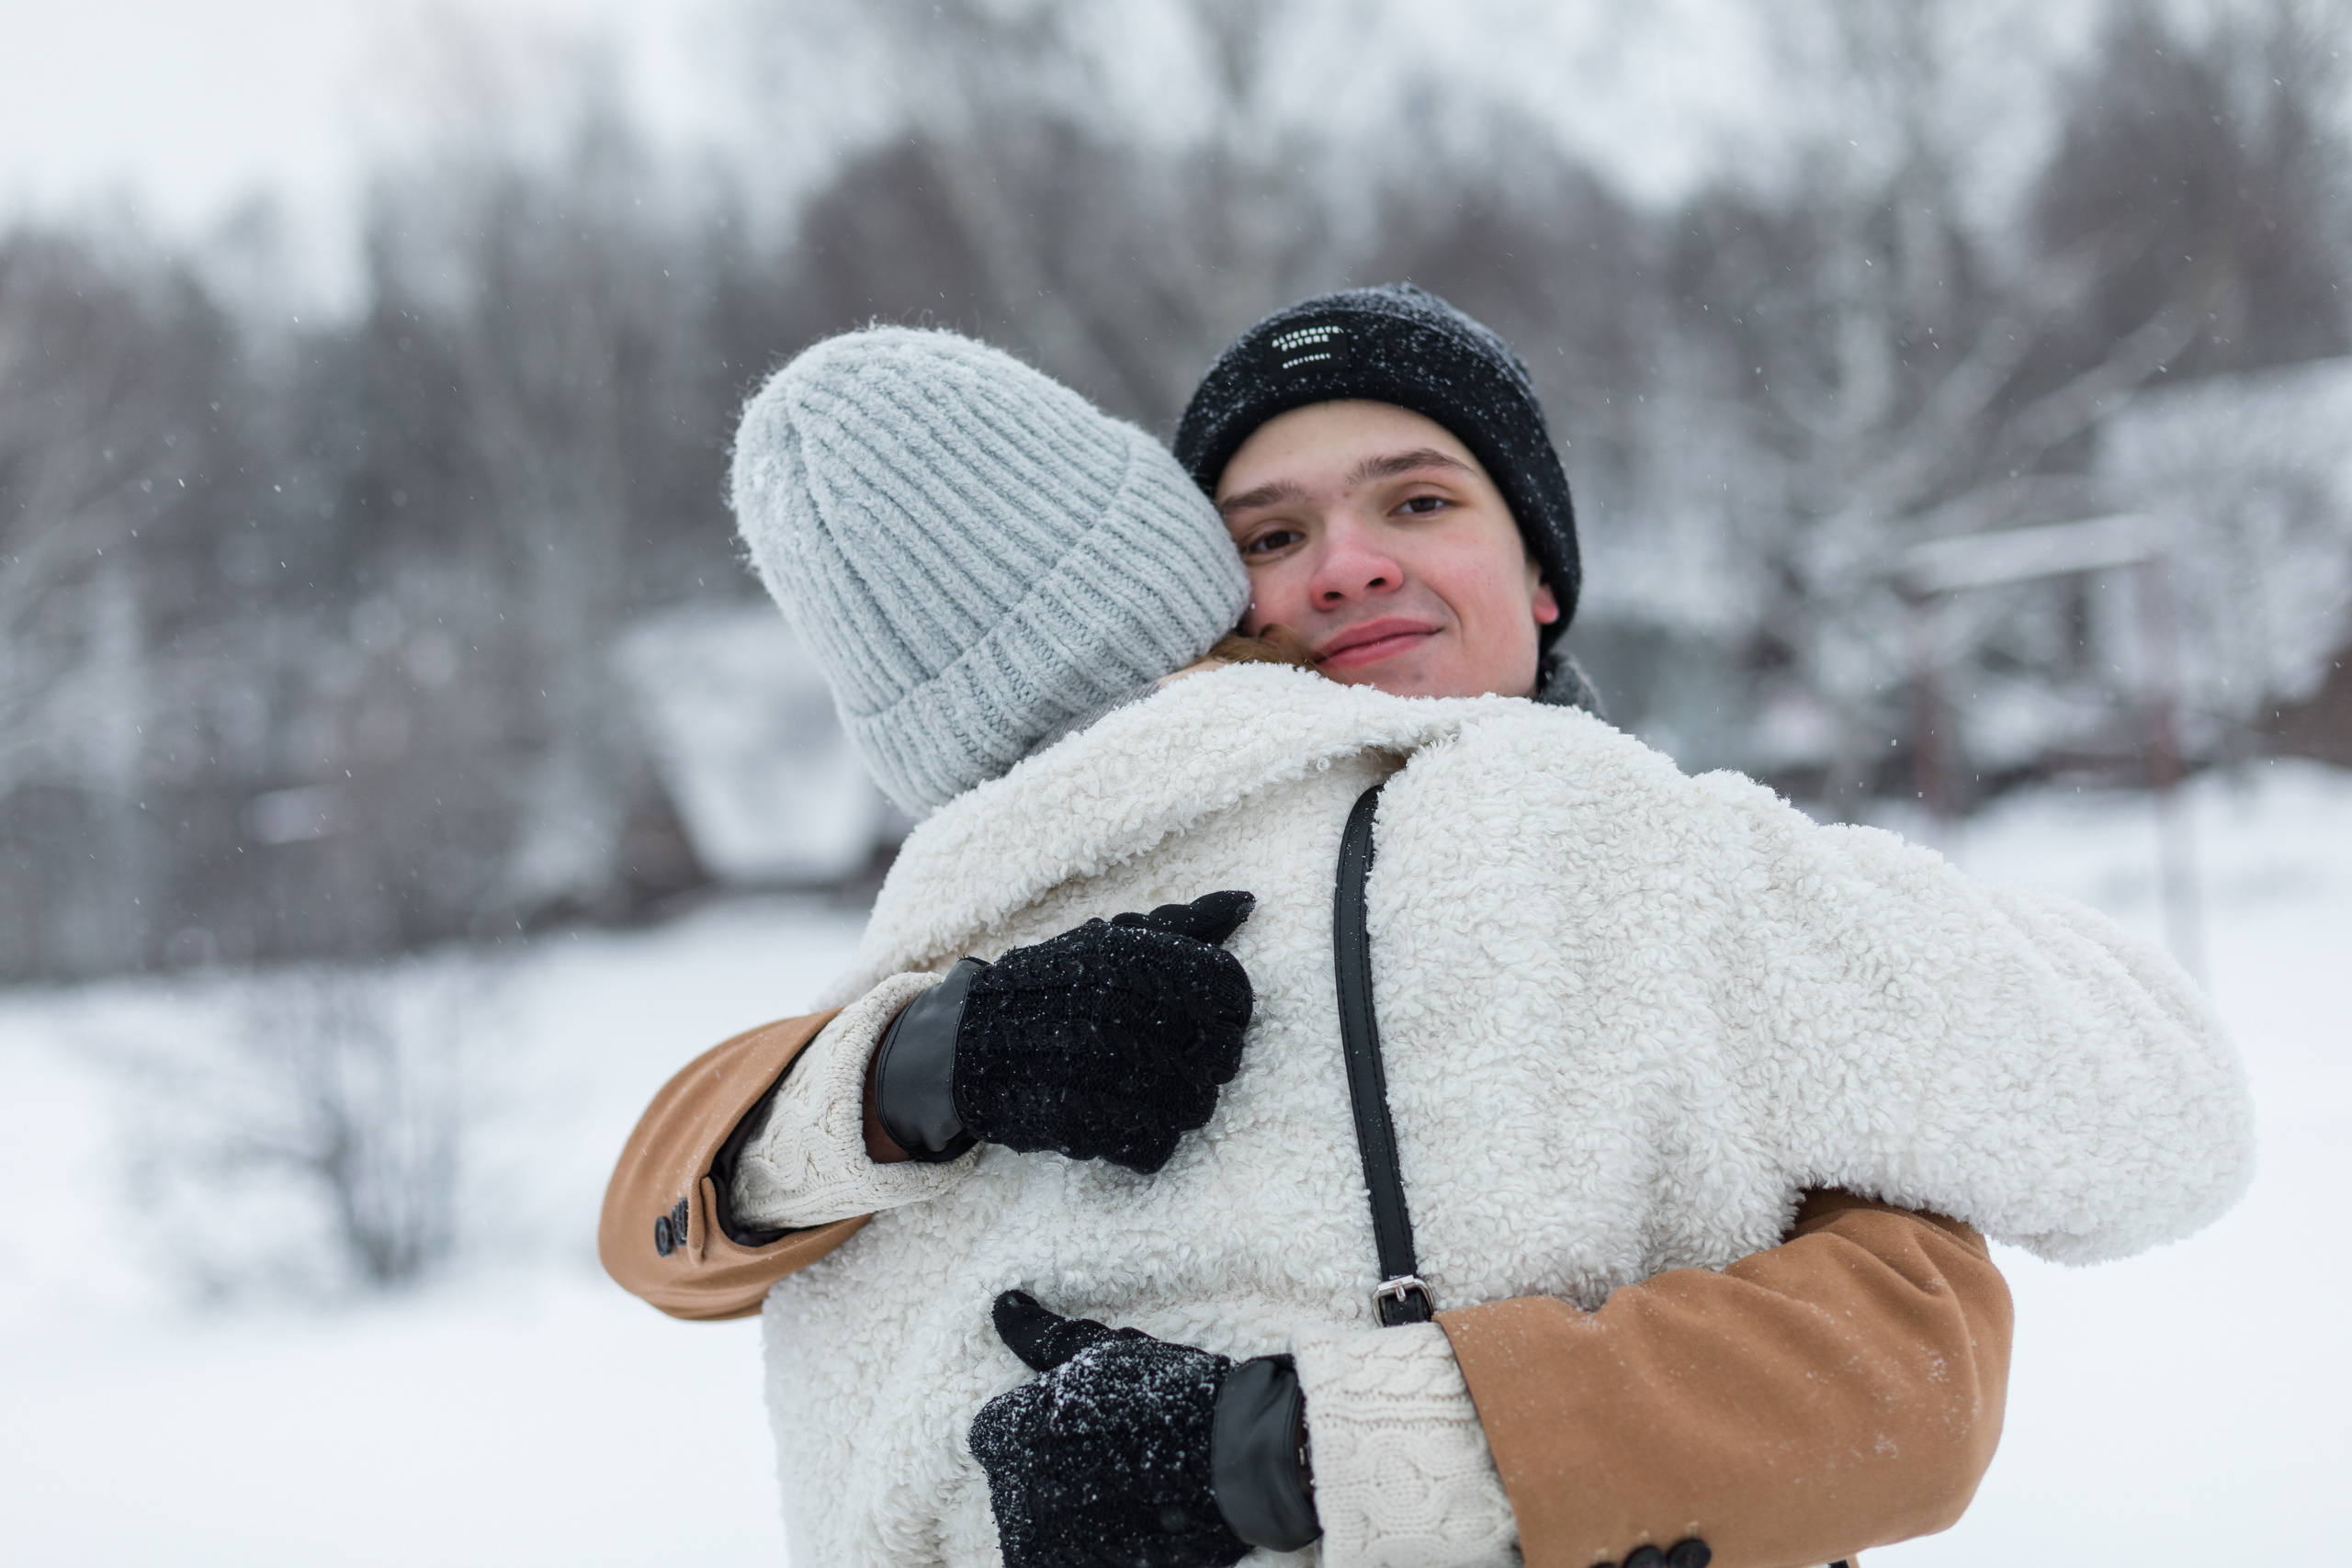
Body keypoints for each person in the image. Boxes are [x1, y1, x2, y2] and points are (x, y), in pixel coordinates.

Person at [602, 295, 2253, 1568]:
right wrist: (921, 1065)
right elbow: (657, 1213)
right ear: (1203, 599)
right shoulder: (1048, 906)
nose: (1344, 568)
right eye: (1269, 536)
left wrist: (1290, 1447)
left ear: (1540, 570)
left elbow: (1920, 1363)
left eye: (1416, 498)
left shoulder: (1662, 864)